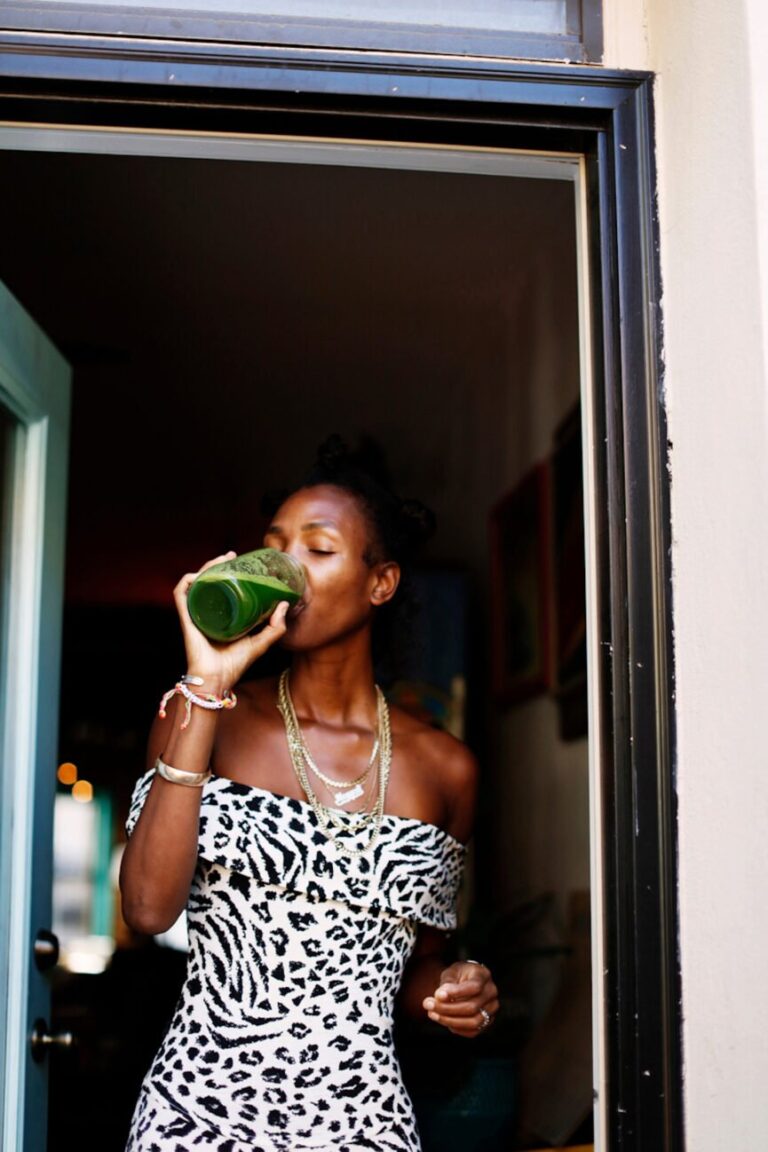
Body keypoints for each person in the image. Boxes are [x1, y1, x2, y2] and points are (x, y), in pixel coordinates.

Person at [119, 437, 499, 1152]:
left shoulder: (444, 771)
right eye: (275, 547)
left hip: (363, 1124)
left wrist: (457, 992)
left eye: (318, 550)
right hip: (198, 1116)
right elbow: (146, 909)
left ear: (380, 583)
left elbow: (417, 967)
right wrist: (207, 683)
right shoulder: (201, 718)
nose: (289, 567)